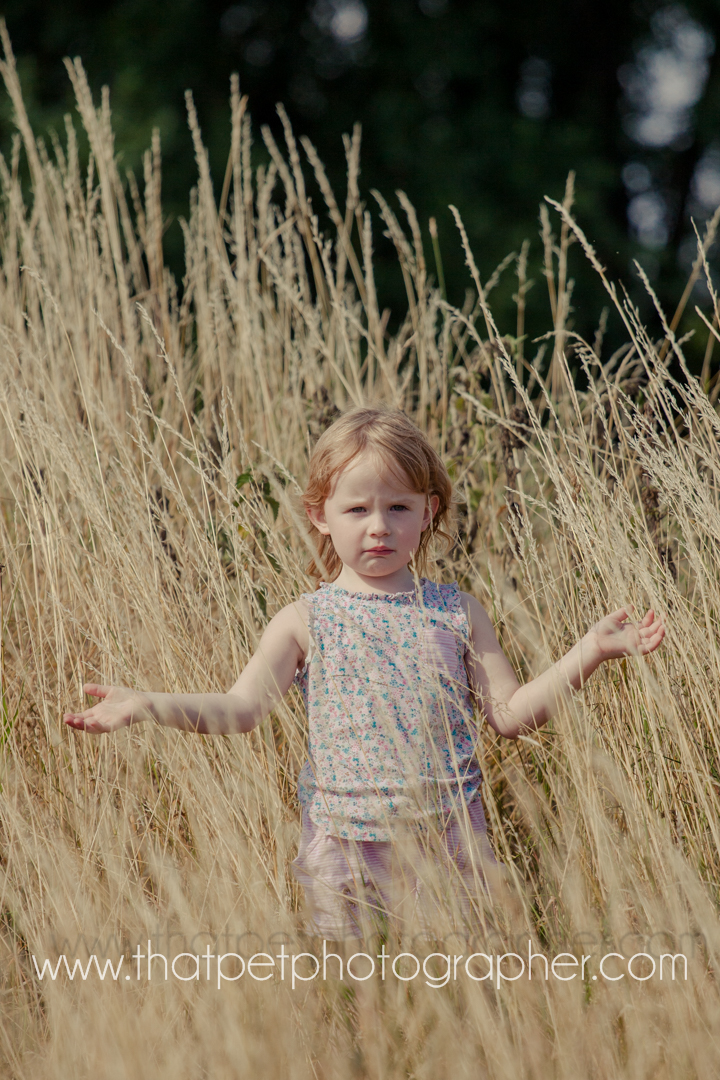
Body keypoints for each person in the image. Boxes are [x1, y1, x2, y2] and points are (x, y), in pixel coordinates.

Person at [64, 407, 665, 939]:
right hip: (343, 846)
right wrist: (147, 703)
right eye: (357, 509)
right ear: (320, 515)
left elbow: (509, 715)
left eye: (398, 507)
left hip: (448, 839)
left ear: (428, 511)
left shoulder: (456, 612)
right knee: (356, 998)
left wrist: (589, 651)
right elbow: (241, 709)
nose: (378, 526)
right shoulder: (306, 619)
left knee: (455, 990)